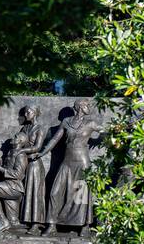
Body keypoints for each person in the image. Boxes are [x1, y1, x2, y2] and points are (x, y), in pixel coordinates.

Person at [37, 99, 101, 232]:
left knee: (81, 194)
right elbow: (55, 139)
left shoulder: (91, 123)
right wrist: (42, 152)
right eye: (86, 105)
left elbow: (106, 131)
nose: (89, 107)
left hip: (82, 162)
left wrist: (121, 131)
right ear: (79, 107)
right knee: (55, 193)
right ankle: (52, 224)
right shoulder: (66, 121)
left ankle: (84, 226)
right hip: (66, 162)